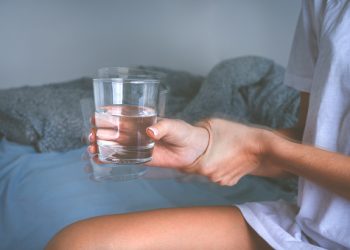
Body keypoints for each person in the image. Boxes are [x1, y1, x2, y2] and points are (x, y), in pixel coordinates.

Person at [46, 1, 350, 249]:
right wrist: (202, 149)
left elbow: (277, 151)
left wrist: (260, 146)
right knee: (78, 243)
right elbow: (310, 143)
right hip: (311, 227)